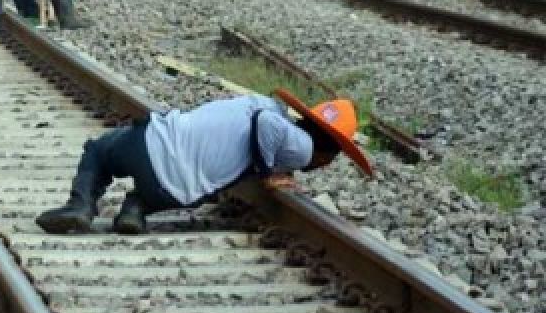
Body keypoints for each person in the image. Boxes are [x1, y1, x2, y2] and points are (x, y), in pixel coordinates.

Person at [36, 89, 374, 235]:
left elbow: (262, 123)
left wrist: (270, 168)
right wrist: (271, 173)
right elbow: (266, 127)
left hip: (153, 142)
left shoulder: (278, 120)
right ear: (329, 155)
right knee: (186, 183)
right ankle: (134, 210)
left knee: (98, 151)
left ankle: (81, 206)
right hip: (175, 192)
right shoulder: (299, 146)